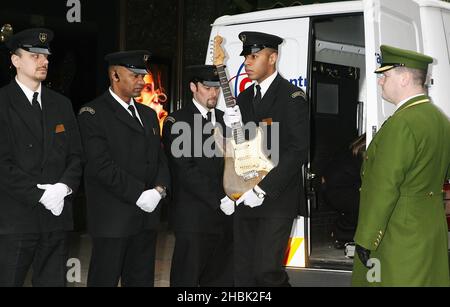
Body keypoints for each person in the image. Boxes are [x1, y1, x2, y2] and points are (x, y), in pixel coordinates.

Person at [352, 45, 450, 287]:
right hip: (428, 230)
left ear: (405, 78)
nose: (380, 82)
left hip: (396, 232)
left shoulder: (403, 123)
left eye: (385, 75)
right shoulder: (439, 119)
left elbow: (384, 187)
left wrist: (366, 238)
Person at [77, 50, 170, 287]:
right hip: (113, 220)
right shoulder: (93, 113)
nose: (141, 81)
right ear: (114, 75)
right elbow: (101, 165)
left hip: (146, 217)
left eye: (143, 76)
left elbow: (159, 158)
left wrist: (159, 190)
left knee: (141, 281)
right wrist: (139, 193)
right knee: (104, 280)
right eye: (135, 75)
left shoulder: (149, 115)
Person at [224, 31, 309, 286]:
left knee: (266, 272)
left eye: (254, 56)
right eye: (246, 58)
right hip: (245, 192)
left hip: (276, 197)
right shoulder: (244, 98)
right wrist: (230, 129)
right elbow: (241, 149)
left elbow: (298, 150)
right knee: (244, 272)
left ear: (272, 58)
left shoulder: (292, 97)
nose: (247, 63)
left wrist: (262, 190)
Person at [0, 28, 83, 287]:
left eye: (46, 55)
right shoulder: (3, 102)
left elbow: (76, 155)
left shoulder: (61, 104)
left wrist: (63, 187)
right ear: (15, 61)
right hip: (16, 220)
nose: (44, 61)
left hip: (56, 219)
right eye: (35, 55)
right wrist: (41, 195)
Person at [162, 65, 234, 287]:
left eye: (217, 88)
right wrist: (219, 199)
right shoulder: (177, 121)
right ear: (193, 87)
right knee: (187, 279)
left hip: (225, 217)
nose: (213, 93)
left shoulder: (226, 119)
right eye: (207, 87)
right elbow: (185, 169)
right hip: (193, 216)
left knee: (221, 278)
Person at [321, 134, 366, 249]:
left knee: (360, 205)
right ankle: (342, 234)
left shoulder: (352, 150)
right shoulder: (361, 153)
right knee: (364, 205)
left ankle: (342, 233)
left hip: (333, 188)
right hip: (338, 189)